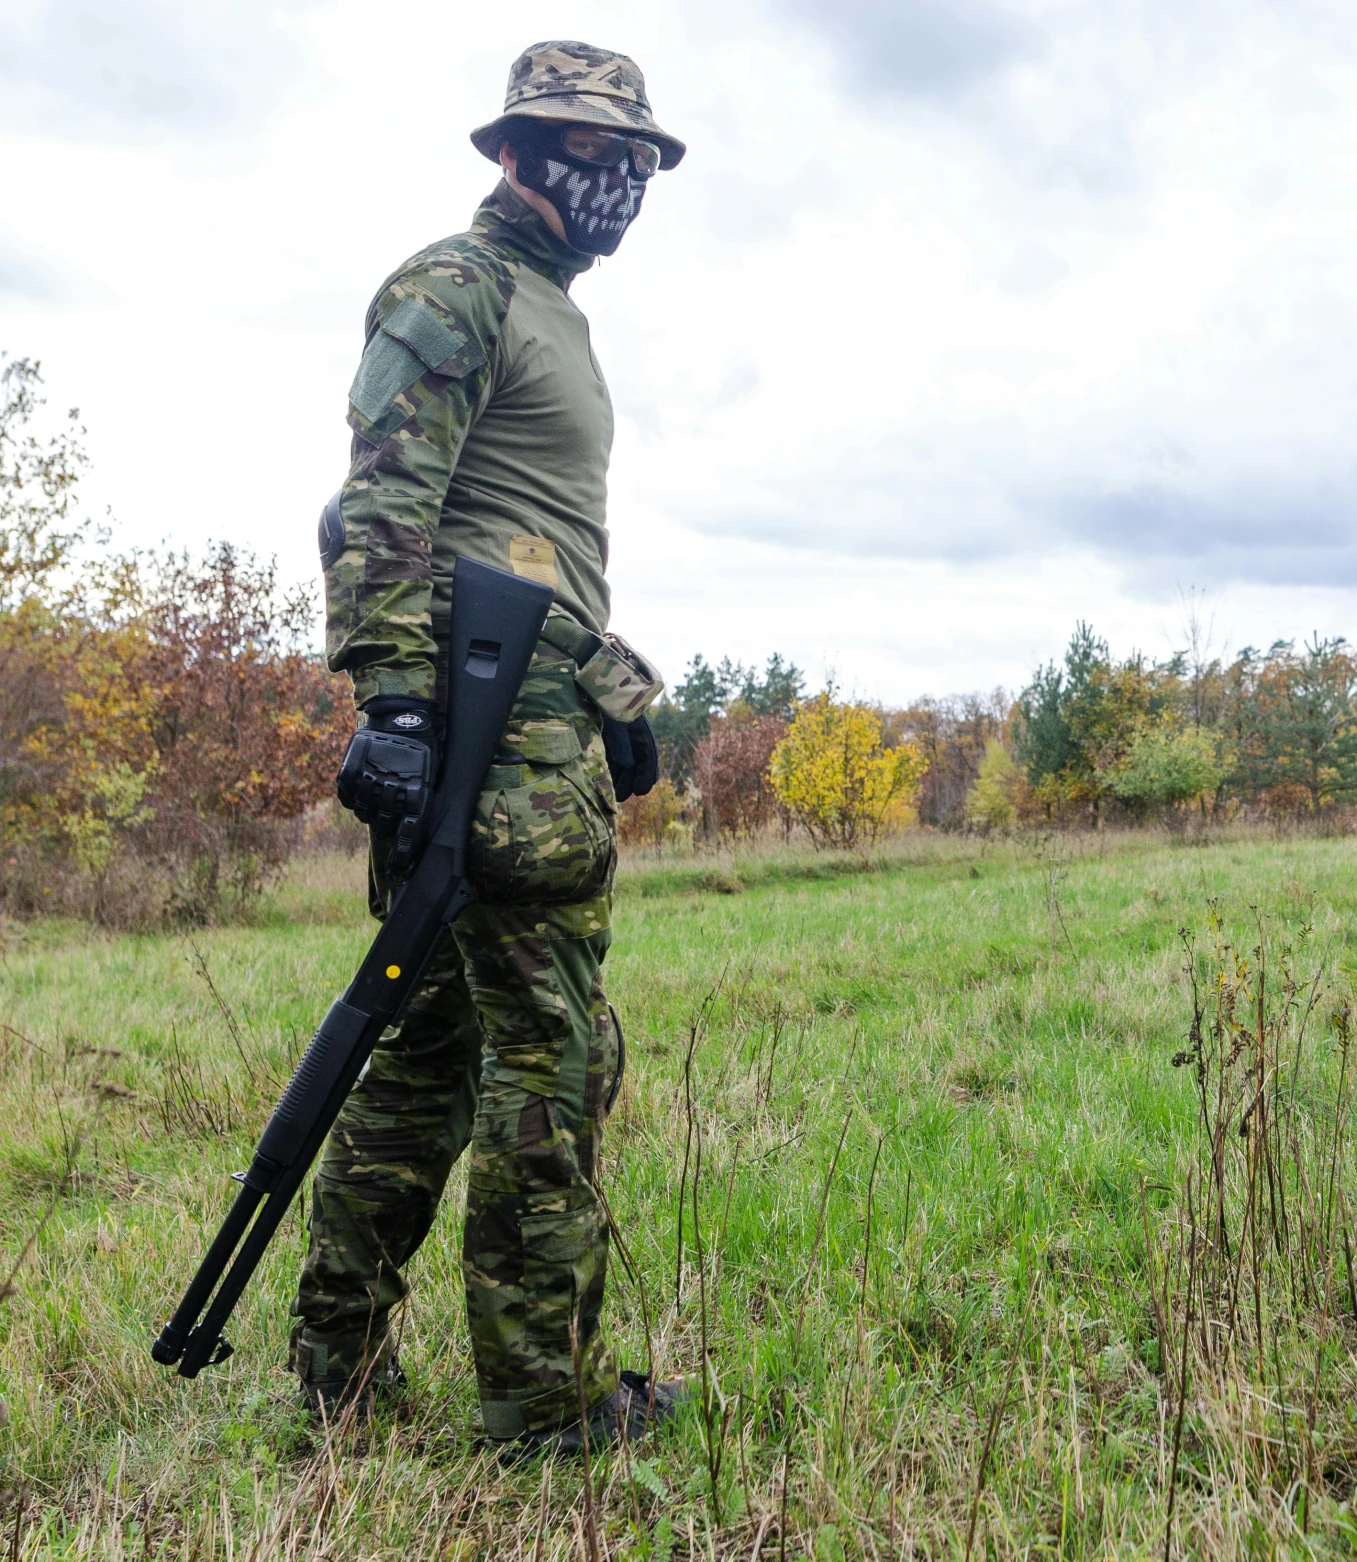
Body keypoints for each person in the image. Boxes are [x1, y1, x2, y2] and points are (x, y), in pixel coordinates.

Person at [295, 40, 681, 1461]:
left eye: (635, 160)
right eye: (590, 150)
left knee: (429, 1057)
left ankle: (333, 1364)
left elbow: (528, 548)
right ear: (513, 150)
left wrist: (612, 694)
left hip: (535, 714)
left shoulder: (550, 312)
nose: (618, 182)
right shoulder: (454, 286)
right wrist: (391, 705)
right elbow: (380, 507)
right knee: (554, 1058)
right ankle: (546, 1406)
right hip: (485, 743)